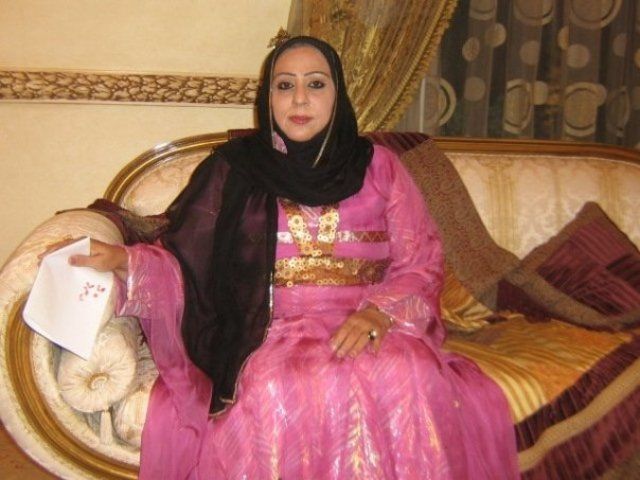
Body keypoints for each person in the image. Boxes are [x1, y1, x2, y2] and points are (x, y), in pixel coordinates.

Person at [68, 36, 519, 479]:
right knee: (276, 388)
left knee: (410, 372)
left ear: (338, 95)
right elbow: (189, 263)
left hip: (370, 322)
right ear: (268, 97)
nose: (299, 99)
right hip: (267, 331)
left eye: (316, 84)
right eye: (285, 85)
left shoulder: (380, 167)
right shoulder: (235, 168)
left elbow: (420, 262)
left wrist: (379, 314)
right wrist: (127, 262)